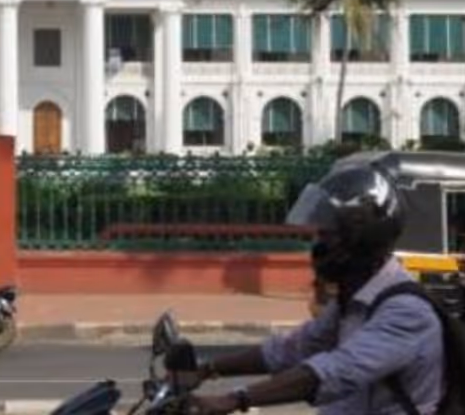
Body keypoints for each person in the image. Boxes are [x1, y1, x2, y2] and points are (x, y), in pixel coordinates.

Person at [175, 162, 445, 415]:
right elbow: (293, 349)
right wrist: (206, 370)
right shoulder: (353, 299)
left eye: (328, 234)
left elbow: (336, 371)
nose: (318, 245)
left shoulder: (406, 311)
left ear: (362, 237)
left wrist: (232, 400)